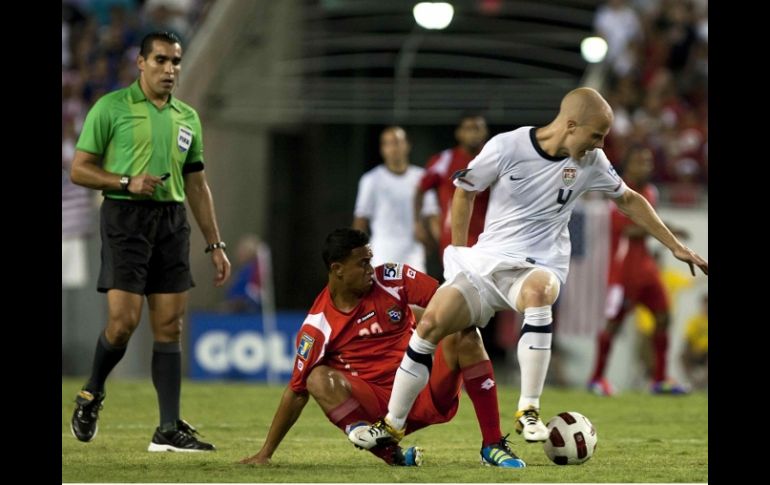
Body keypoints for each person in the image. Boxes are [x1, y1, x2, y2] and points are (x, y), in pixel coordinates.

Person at [349, 87, 708, 451]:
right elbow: (465, 190)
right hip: (487, 260)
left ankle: (529, 410)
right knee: (430, 325)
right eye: (596, 135)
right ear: (571, 125)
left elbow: (628, 199)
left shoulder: (591, 161)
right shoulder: (508, 146)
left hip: (540, 264)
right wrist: (456, 251)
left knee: (539, 291)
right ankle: (391, 425)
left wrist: (675, 245)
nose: (600, 144)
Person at [68, 31, 231, 452]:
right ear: (141, 63)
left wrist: (215, 244)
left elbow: (197, 185)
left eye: (175, 61)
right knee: (123, 323)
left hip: (172, 221)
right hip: (125, 216)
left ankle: (167, 429)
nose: (169, 69)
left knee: (171, 326)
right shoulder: (111, 107)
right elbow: (80, 170)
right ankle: (91, 392)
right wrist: (126, 181)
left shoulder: (187, 117)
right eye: (160, 60)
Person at [239, 228, 525, 468]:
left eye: (370, 260)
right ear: (337, 270)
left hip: (425, 390)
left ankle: (492, 444)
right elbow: (296, 392)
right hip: (379, 413)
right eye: (362, 263)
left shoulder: (392, 279)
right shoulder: (318, 326)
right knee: (315, 378)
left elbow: (447, 301)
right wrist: (265, 453)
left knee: (465, 332)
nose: (370, 270)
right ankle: (388, 452)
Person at [588, 145, 691, 395]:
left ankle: (659, 379)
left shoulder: (651, 192)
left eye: (648, 161)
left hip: (646, 269)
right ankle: (597, 379)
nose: (645, 166)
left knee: (664, 316)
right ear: (628, 165)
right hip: (623, 272)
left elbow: (649, 224)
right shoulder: (617, 191)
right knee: (613, 325)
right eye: (639, 161)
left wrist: (667, 229)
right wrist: (667, 231)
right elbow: (629, 230)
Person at [353, 126, 439, 272]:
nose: (394, 148)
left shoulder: (422, 178)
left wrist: (437, 244)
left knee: (416, 288)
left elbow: (433, 217)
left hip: (413, 257)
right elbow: (360, 221)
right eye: (388, 143)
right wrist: (358, 256)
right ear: (382, 149)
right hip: (381, 256)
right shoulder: (371, 180)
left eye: (397, 142)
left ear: (407, 145)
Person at [414, 114, 489, 259]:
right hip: (453, 236)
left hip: (487, 237)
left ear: (485, 132)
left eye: (477, 128)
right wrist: (418, 223)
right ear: (459, 133)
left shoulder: (494, 160)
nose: (473, 133)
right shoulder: (445, 159)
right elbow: (420, 189)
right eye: (468, 129)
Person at [680, 294, 708, 390]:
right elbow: (688, 338)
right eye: (705, 305)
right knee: (682, 356)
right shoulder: (694, 321)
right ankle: (693, 382)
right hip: (695, 351)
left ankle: (703, 384)